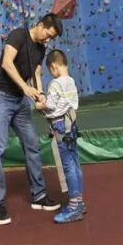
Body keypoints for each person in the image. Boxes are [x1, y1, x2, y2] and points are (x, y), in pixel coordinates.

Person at [0, 14, 63, 225]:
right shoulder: (18, 35)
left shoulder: (40, 48)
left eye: (51, 38)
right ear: (40, 25)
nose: (48, 39)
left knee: (32, 145)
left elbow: (36, 73)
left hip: (20, 102)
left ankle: (39, 195)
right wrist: (25, 88)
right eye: (48, 34)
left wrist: (40, 94)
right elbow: (6, 63)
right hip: (1, 97)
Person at [35, 49, 85, 224]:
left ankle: (74, 207)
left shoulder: (55, 84)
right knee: (75, 163)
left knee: (68, 166)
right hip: (71, 124)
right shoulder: (71, 81)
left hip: (61, 126)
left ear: (53, 67)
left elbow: (50, 106)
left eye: (50, 70)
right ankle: (79, 202)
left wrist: (39, 106)